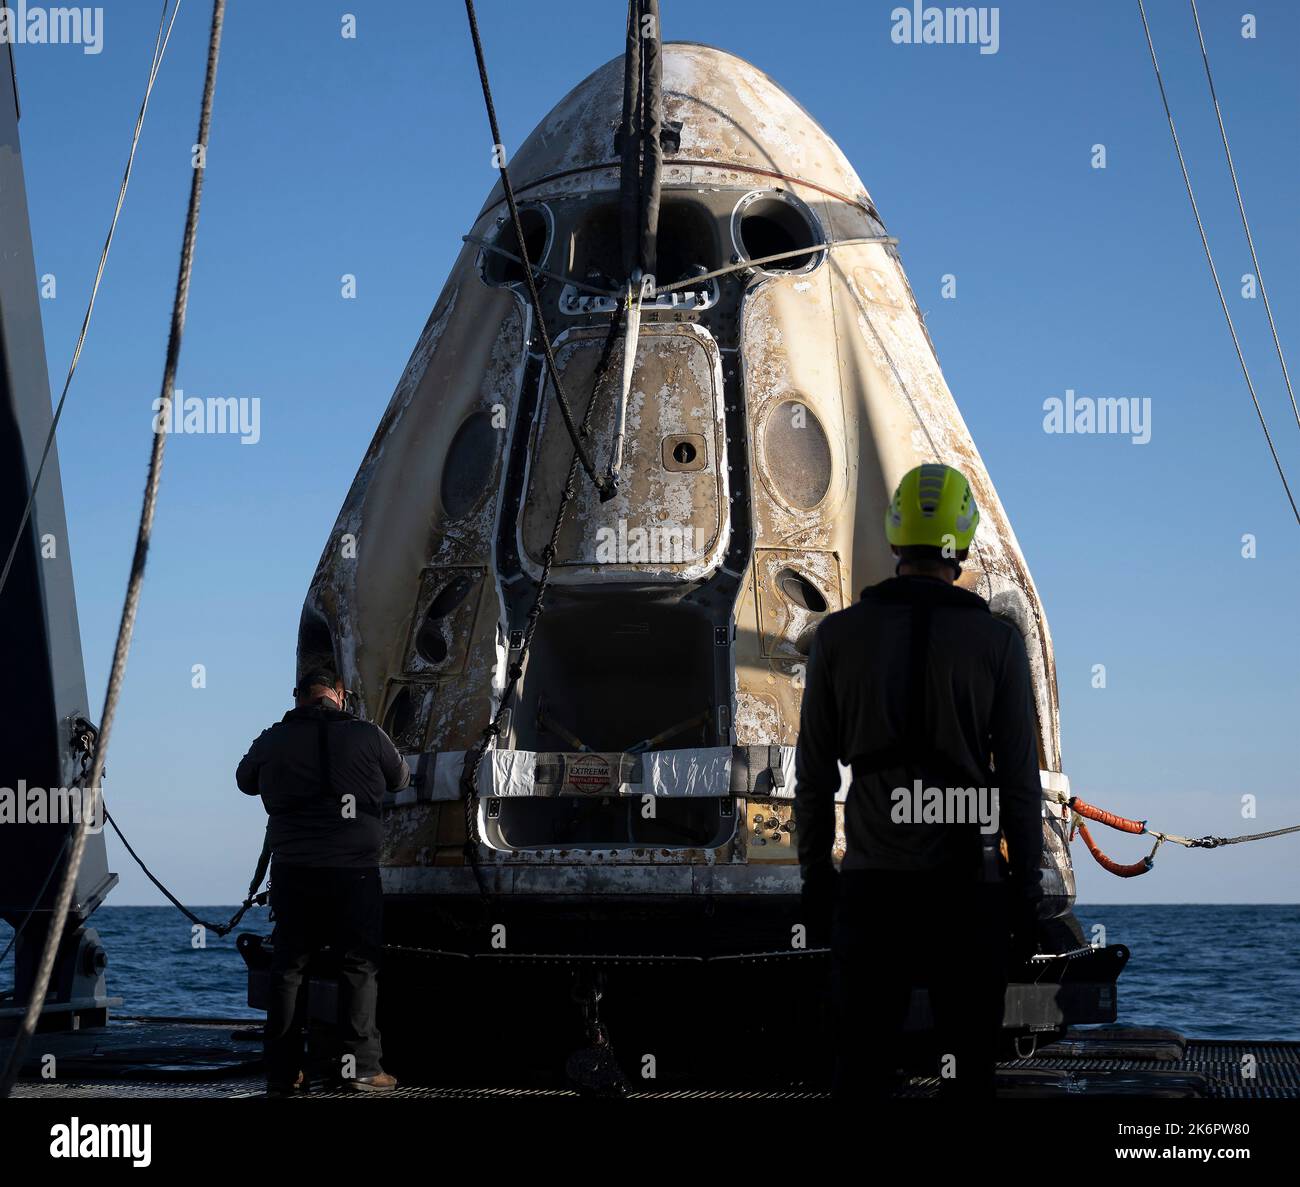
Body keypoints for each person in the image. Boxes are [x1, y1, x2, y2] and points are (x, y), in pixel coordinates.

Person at [794, 463, 1042, 1101]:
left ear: (895, 534)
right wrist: (1027, 893)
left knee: (860, 1069)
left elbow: (815, 774)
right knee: (969, 1071)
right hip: (969, 889)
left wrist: (818, 882)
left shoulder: (838, 637)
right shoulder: (997, 643)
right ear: (963, 537)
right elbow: (1018, 782)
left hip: (873, 889)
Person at [236, 666, 410, 1095]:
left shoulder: (272, 739)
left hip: (295, 873)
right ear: (340, 695)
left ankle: (283, 1071)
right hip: (356, 873)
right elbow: (401, 779)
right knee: (359, 966)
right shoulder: (369, 735)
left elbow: (244, 782)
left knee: (290, 969)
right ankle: (363, 1069)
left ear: (298, 696)